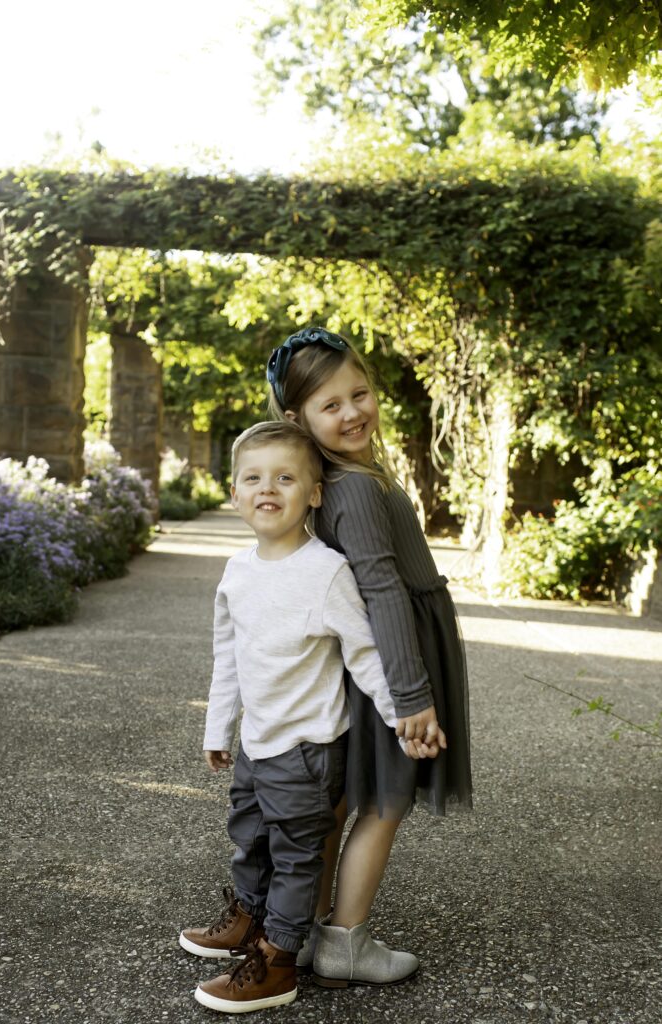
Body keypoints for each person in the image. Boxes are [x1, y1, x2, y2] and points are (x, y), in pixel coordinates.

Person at [264, 325, 473, 988]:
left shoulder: (346, 476)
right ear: (298, 419)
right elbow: (380, 588)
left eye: (359, 393)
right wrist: (411, 697)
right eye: (331, 405)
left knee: (346, 798)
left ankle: (295, 931)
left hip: (388, 648)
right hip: (395, 654)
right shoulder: (352, 489)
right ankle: (344, 941)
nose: (352, 411)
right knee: (383, 800)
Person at [183, 419, 416, 1014]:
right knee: (249, 840)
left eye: (286, 478)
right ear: (234, 493)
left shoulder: (326, 570)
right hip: (257, 747)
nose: (268, 488)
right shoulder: (237, 572)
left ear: (313, 493)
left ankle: (278, 961)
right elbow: (228, 660)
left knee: (296, 858)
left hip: (307, 752)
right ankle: (249, 924)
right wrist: (218, 730)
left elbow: (364, 653)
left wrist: (402, 716)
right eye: (253, 478)